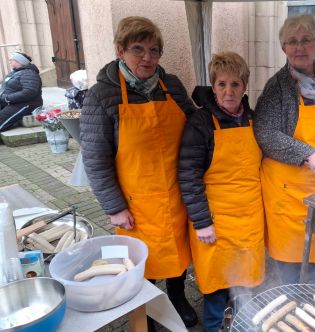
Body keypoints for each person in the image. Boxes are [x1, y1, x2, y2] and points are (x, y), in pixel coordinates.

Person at [79, 16, 198, 329]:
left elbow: (195, 125)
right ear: (120, 50)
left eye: (154, 50)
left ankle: (177, 296)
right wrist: (115, 207)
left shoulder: (170, 85)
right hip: (135, 201)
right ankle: (144, 308)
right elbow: (95, 159)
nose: (147, 57)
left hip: (176, 192)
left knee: (177, 251)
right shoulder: (102, 95)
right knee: (140, 261)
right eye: (138, 49)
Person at [254, 14, 315, 286]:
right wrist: (306, 153)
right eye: (292, 42)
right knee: (292, 268)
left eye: (306, 40)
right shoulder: (277, 87)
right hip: (291, 195)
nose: (299, 47)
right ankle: (293, 309)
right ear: (283, 48)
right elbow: (265, 133)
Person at [179, 52, 264, 332]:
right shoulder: (201, 123)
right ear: (213, 86)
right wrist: (202, 222)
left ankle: (241, 325)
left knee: (245, 284)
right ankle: (216, 327)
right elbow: (189, 176)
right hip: (216, 221)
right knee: (216, 288)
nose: (229, 92)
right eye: (222, 84)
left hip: (249, 218)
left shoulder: (253, 119)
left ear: (245, 87)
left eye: (236, 84)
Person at [0, 52, 43, 132]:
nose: (10, 62)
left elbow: (29, 92)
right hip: (12, 102)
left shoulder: (29, 73)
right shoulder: (15, 72)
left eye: (11, 60)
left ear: (19, 61)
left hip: (26, 104)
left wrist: (7, 98)